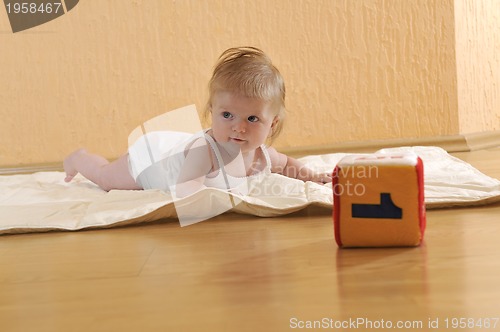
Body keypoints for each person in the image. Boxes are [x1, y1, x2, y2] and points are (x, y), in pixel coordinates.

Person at [63, 47, 333, 195]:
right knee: (106, 179)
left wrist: (310, 177)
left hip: (173, 147)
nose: (239, 127)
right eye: (227, 115)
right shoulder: (205, 153)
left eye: (252, 118)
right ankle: (79, 158)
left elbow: (287, 164)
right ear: (212, 110)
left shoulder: (263, 156)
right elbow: (187, 191)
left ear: (272, 125)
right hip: (152, 160)